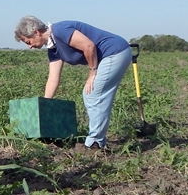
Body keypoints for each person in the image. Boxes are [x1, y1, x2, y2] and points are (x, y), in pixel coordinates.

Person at [13, 16, 131, 150]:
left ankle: (95, 143)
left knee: (92, 94)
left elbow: (89, 46)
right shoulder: (53, 50)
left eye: (28, 42)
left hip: (114, 52)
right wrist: (45, 106)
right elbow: (53, 78)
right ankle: (97, 140)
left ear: (36, 32)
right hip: (110, 55)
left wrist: (92, 73)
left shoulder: (60, 30)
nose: (29, 47)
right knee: (94, 94)